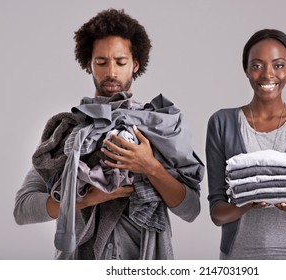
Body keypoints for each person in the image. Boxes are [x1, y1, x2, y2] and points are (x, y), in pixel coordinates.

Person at [14, 8, 204, 260]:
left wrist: (149, 166)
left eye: (120, 62)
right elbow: (23, 208)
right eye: (101, 62)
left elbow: (191, 209)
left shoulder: (158, 128)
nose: (111, 71)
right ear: (89, 65)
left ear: (135, 64)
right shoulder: (71, 131)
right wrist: (82, 200)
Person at [205, 29, 286, 259]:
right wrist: (247, 203)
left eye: (278, 65)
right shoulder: (221, 123)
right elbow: (217, 213)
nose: (268, 74)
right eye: (257, 65)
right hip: (240, 257)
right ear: (246, 70)